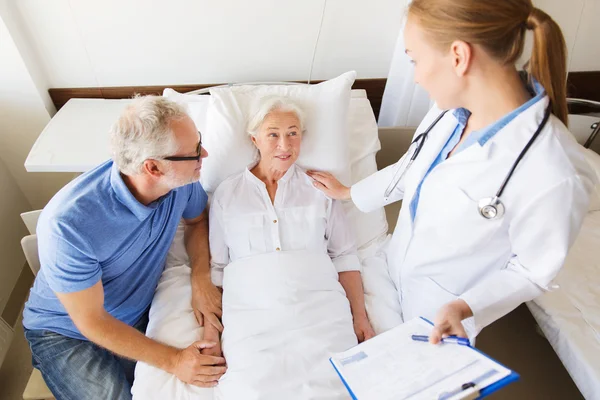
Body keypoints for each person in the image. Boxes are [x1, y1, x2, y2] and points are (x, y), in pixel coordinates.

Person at [308, 0, 596, 343]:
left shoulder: (554, 168)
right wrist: (349, 193)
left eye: (415, 60)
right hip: (388, 272)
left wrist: (465, 306)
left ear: (458, 56)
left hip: (439, 315)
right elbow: (413, 168)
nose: (415, 76)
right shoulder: (448, 113)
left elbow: (533, 270)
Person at [22, 96, 226, 400]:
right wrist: (175, 360)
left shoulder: (181, 182)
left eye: (200, 143)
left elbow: (197, 222)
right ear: (153, 168)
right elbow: (91, 321)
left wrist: (200, 278)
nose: (204, 154)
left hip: (134, 313)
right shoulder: (68, 225)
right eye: (195, 151)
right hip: (66, 332)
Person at [203, 96, 375, 354]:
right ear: (255, 140)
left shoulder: (321, 189)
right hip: (253, 315)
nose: (285, 145)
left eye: (292, 133)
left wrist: (359, 317)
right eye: (273, 134)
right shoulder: (227, 194)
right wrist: (211, 333)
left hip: (319, 309)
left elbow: (345, 256)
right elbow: (218, 269)